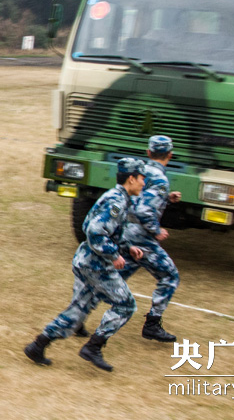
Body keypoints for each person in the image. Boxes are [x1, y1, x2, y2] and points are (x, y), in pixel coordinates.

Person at [23, 158, 147, 372]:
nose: (143, 184)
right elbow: (94, 232)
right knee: (126, 305)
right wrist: (114, 254)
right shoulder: (117, 202)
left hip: (86, 260)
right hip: (96, 265)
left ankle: (38, 345)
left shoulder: (118, 198)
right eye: (142, 179)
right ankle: (93, 347)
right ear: (131, 179)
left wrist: (127, 247)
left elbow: (102, 229)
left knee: (80, 309)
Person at [120, 135, 182, 342]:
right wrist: (156, 230)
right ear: (170, 155)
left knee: (114, 278)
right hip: (142, 237)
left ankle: (78, 317)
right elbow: (144, 209)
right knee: (170, 277)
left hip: (126, 232)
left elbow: (137, 198)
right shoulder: (161, 178)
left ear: (148, 152)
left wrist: (166, 197)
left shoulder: (140, 172)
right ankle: (152, 324)